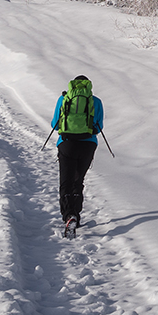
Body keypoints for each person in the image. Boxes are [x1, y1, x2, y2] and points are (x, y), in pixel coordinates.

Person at [51, 74, 103, 237]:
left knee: (66, 181)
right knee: (78, 180)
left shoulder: (63, 99)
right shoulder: (96, 101)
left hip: (66, 143)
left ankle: (69, 215)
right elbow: (99, 126)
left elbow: (55, 123)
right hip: (88, 144)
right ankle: (76, 215)